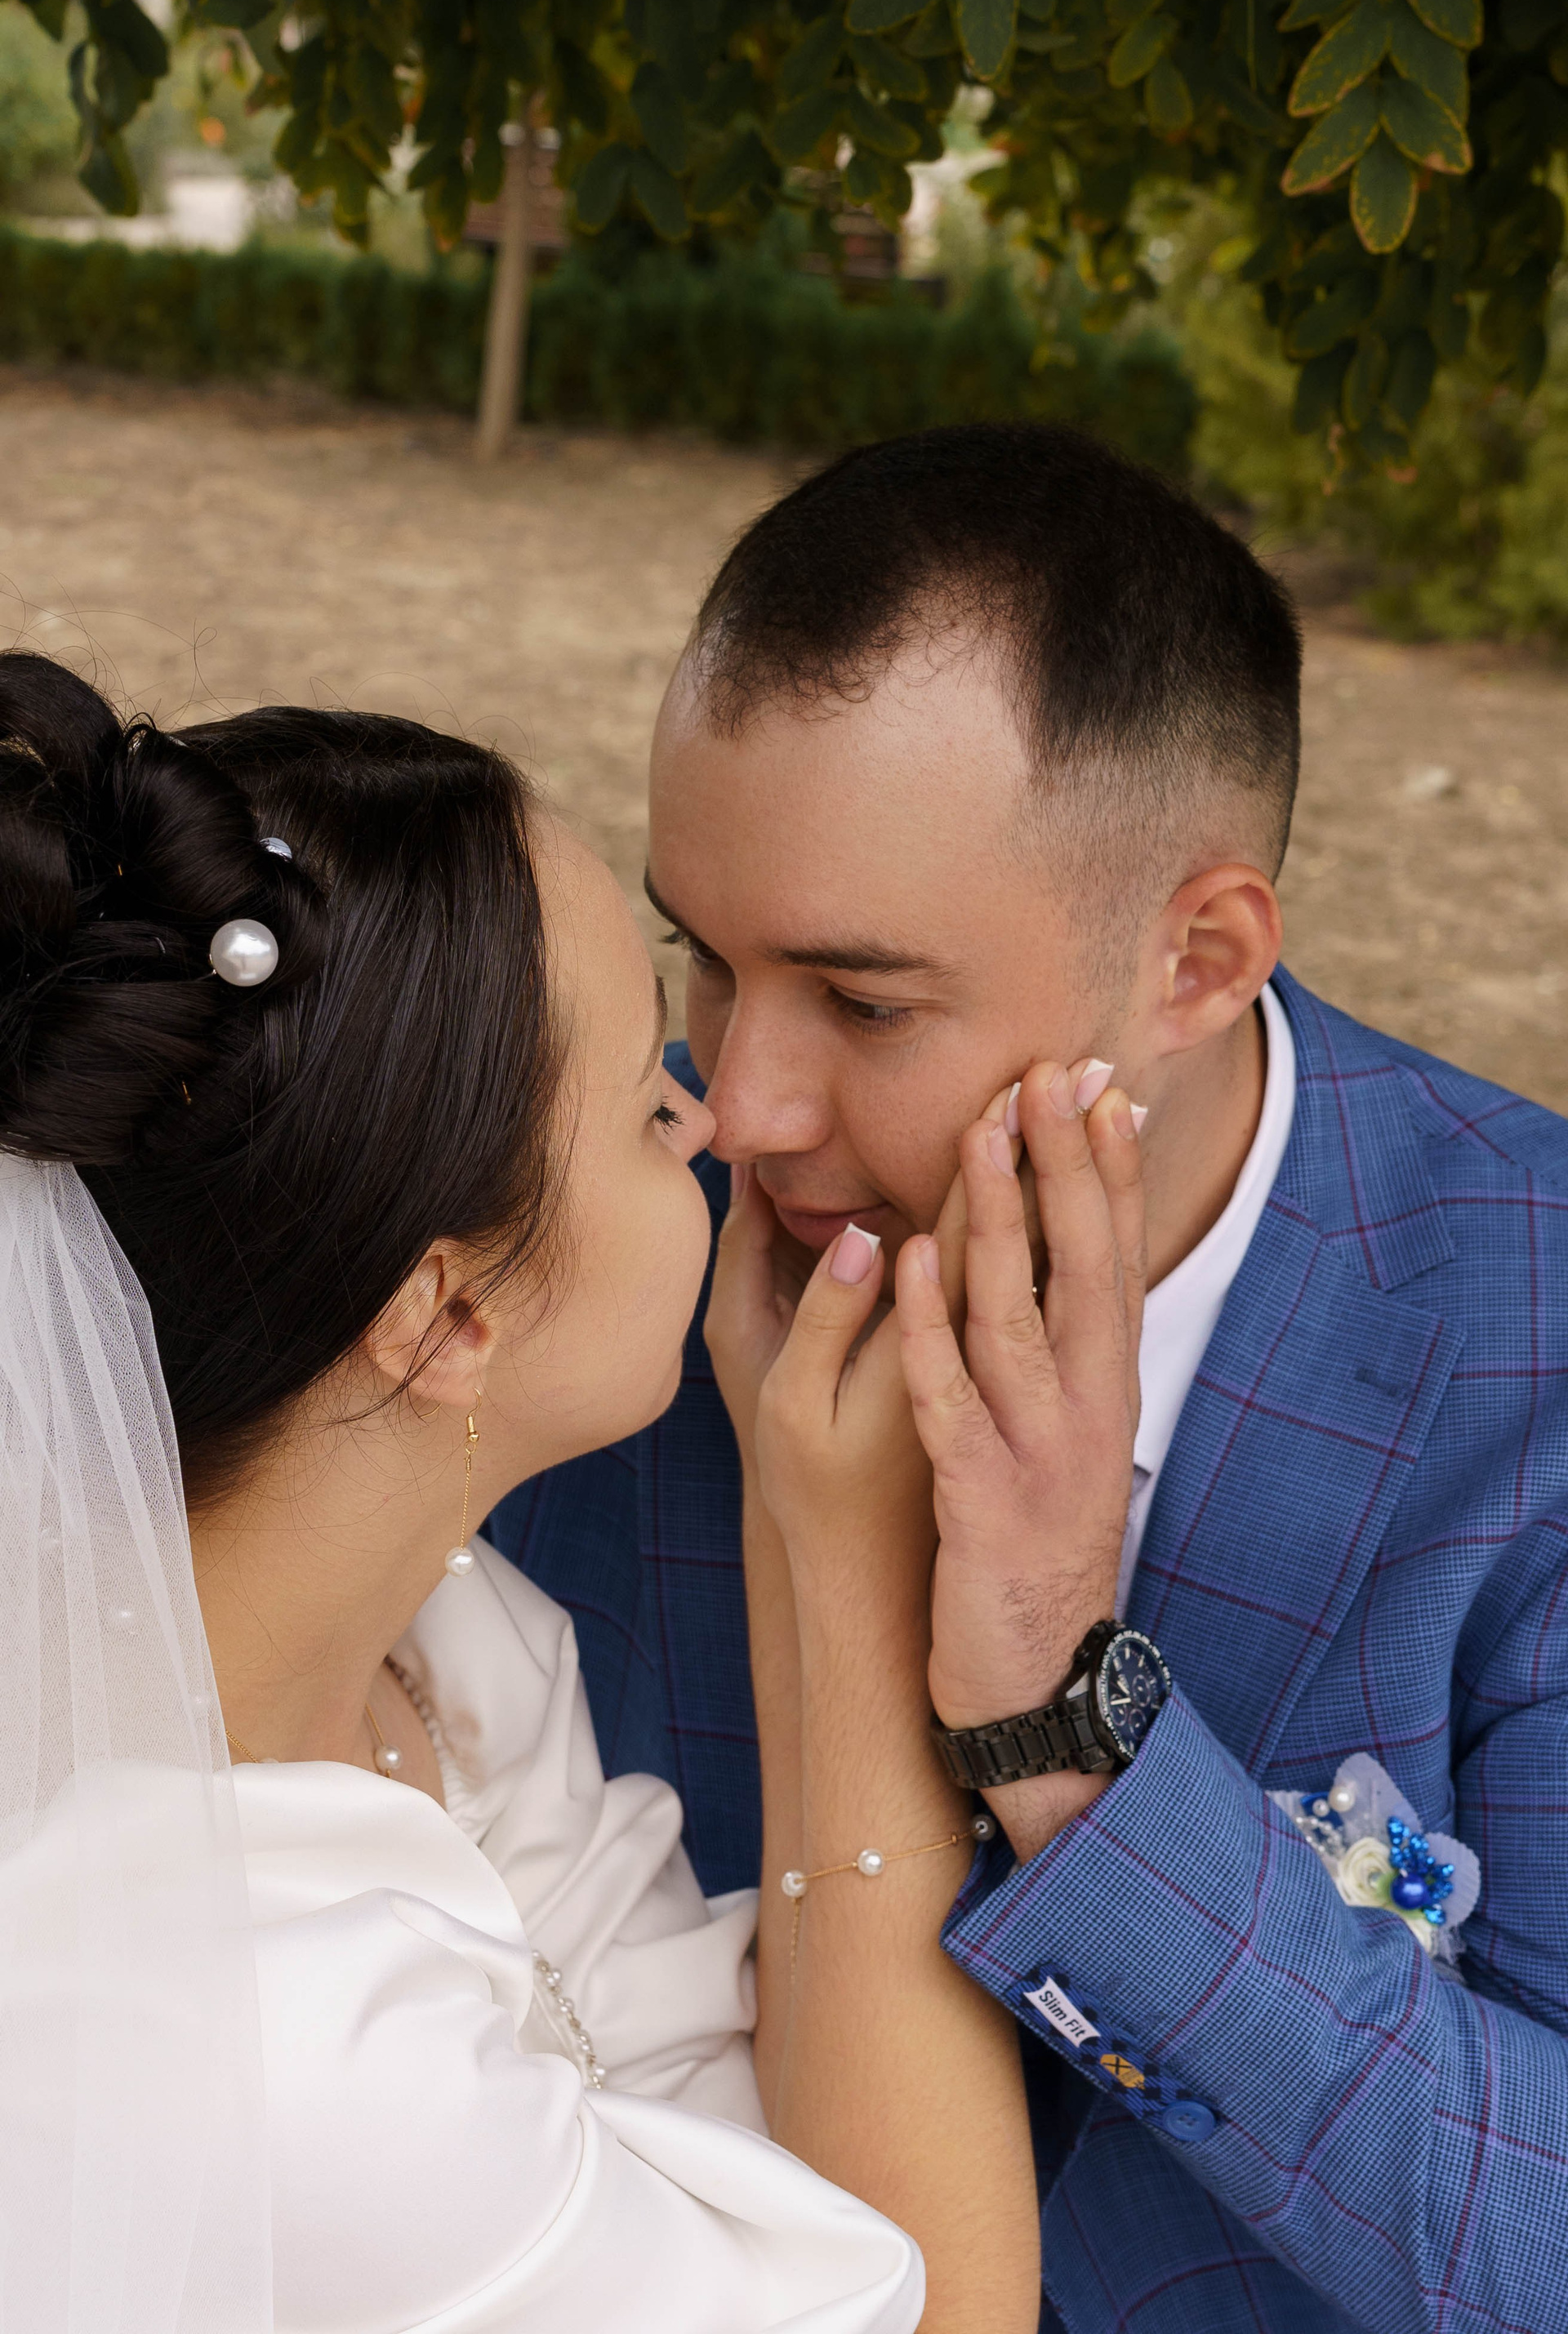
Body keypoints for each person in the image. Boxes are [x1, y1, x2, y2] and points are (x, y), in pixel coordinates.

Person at [492, 423, 1568, 2334]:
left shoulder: (1536, 1338)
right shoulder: (594, 1270)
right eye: (703, 958)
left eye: (863, 999)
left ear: (1198, 960)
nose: (744, 1104)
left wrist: (1075, 1742)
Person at [0, 651, 1138, 2330]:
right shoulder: (281, 2046)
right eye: (642, 1106)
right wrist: (841, 1561)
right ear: (447, 1316)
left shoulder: (447, 1648)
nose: (719, 1119)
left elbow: (713, 2122)